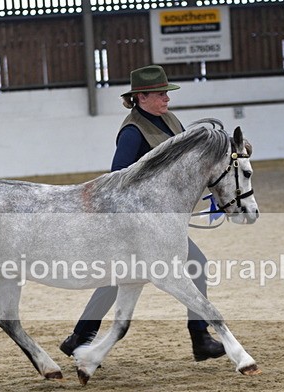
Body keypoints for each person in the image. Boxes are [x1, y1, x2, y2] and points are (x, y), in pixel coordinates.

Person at [59, 64, 226, 362]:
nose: (167, 99)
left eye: (166, 93)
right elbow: (117, 176)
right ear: (142, 96)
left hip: (162, 222)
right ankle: (199, 337)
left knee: (125, 277)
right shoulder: (133, 132)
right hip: (137, 223)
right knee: (121, 278)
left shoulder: (170, 121)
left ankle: (80, 338)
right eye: (161, 94)